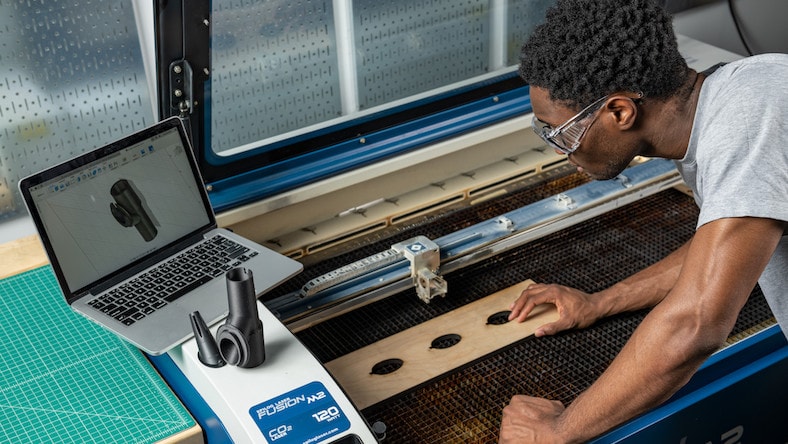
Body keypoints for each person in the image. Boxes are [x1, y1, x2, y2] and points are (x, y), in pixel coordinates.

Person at [499, 0, 788, 442]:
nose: (560, 150)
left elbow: (694, 325)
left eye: (559, 131)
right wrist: (601, 302)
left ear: (619, 112)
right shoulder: (737, 97)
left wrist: (556, 433)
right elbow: (721, 247)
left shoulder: (747, 122)